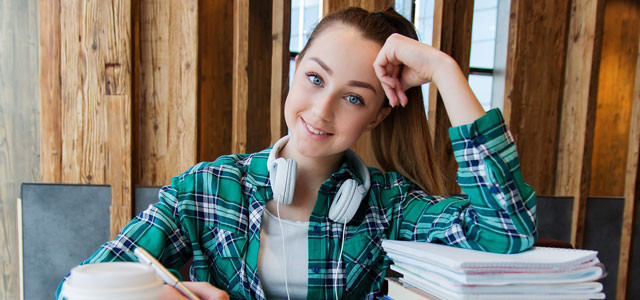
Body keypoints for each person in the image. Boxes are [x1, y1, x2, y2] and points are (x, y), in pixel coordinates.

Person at [57, 7, 536, 300]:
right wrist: (157, 296)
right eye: (314, 78)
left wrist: (445, 70)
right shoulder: (204, 191)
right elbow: (76, 290)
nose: (321, 110)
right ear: (294, 70)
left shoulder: (392, 207)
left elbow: (506, 229)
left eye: (353, 98)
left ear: (376, 116)